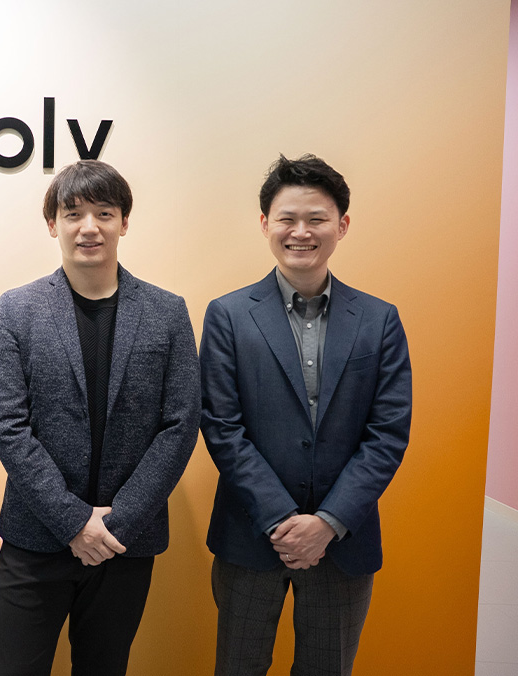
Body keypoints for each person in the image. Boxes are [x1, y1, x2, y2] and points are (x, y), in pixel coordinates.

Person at [0, 160, 200, 676]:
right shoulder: (17, 309)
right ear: (52, 224)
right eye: (73, 213)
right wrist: (74, 521)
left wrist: (115, 522)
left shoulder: (167, 312)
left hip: (125, 542)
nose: (89, 227)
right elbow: (8, 424)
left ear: (124, 222)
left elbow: (180, 425)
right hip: (35, 537)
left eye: (104, 213)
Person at [200, 154, 412, 675]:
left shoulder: (379, 320)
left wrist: (327, 523)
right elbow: (222, 428)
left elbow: (387, 434)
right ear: (265, 224)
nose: (301, 232)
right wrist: (281, 520)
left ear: (342, 225)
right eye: (287, 219)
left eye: (316, 219)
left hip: (343, 542)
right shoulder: (228, 315)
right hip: (251, 535)